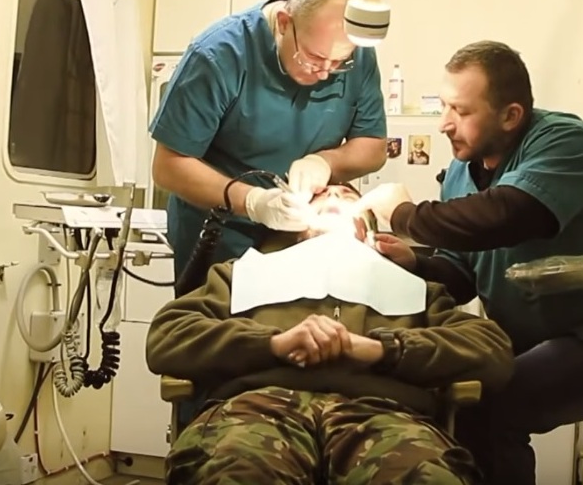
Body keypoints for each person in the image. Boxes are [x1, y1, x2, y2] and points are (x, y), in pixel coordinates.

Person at [354, 40, 583, 484]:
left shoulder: (565, 141)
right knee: (454, 398)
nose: (445, 124)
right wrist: (411, 261)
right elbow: (461, 276)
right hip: (542, 342)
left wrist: (404, 214)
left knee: (493, 407)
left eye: (461, 111)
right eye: (445, 107)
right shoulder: (461, 172)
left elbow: (512, 215)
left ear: (510, 115)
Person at [145, 183, 514, 485]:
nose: (335, 196)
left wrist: (380, 349)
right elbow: (168, 335)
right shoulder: (243, 274)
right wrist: (272, 344)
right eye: (321, 195)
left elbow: (491, 350)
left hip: (382, 413)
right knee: (236, 473)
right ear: (293, 222)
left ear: (369, 227)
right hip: (258, 407)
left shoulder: (414, 288)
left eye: (348, 195)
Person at [149, 0, 388, 283]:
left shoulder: (355, 50)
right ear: (285, 23)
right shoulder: (219, 55)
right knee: (223, 309)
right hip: (221, 233)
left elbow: (373, 146)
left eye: (339, 63)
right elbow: (168, 167)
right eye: (314, 58)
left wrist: (325, 162)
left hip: (302, 234)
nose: (325, 73)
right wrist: (253, 202)